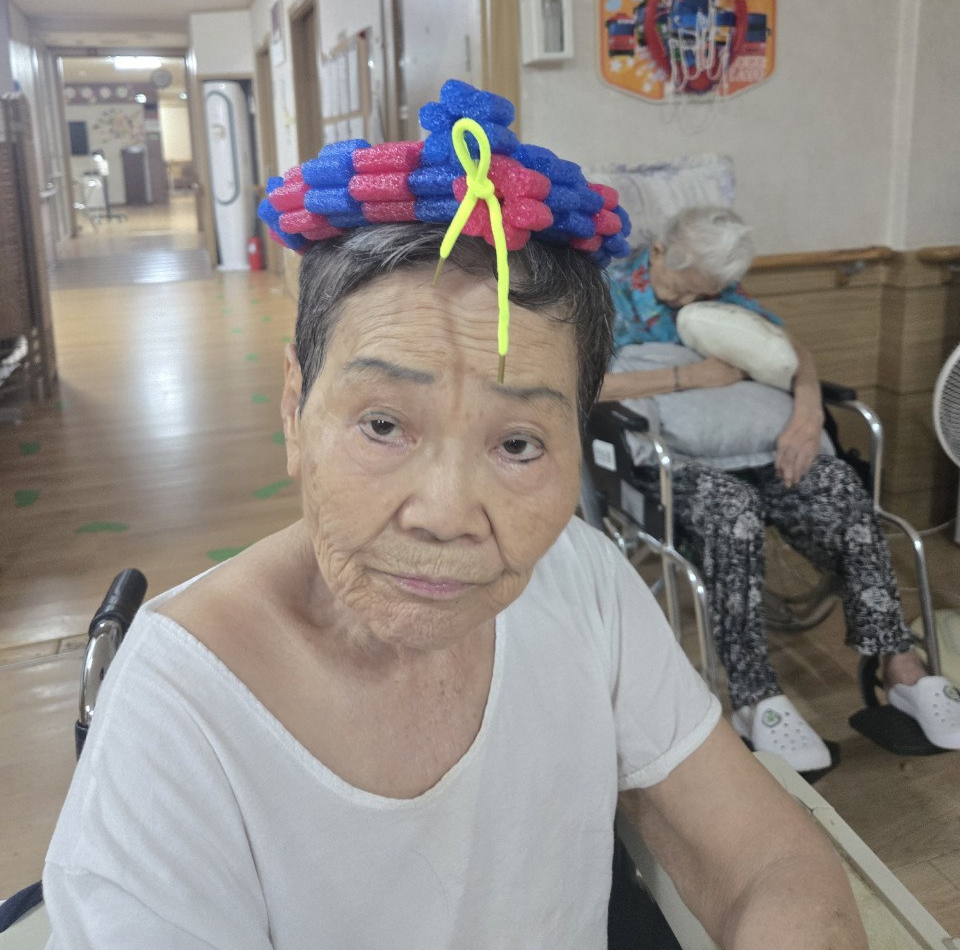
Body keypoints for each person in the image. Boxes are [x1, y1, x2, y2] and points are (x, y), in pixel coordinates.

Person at [43, 87, 868, 949]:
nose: (445, 516)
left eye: (518, 443)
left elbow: (767, 861)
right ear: (295, 410)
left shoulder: (581, 579)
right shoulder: (179, 708)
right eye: (383, 425)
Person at [603, 204, 960, 774]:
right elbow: (572, 382)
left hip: (757, 450)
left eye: (708, 293)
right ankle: (755, 699)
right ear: (661, 252)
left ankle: (901, 669)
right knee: (734, 510)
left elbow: (789, 348)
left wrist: (808, 412)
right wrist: (685, 377)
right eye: (686, 289)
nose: (694, 302)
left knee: (840, 486)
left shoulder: (718, 288)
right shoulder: (605, 290)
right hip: (670, 461)